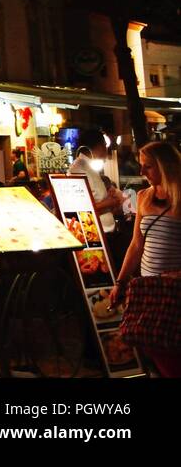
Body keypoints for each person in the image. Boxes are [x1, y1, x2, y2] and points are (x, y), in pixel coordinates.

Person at [110, 142, 181, 377]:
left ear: (166, 166)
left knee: (171, 351)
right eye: (141, 166)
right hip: (148, 288)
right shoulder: (143, 197)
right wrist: (120, 282)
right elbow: (136, 244)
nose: (142, 173)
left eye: (148, 167)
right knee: (148, 342)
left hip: (174, 290)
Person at [70, 145, 123, 243]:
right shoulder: (79, 168)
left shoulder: (89, 167)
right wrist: (108, 203)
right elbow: (79, 209)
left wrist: (111, 201)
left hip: (104, 233)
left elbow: (96, 199)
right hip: (95, 234)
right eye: (105, 147)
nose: (106, 155)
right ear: (100, 146)